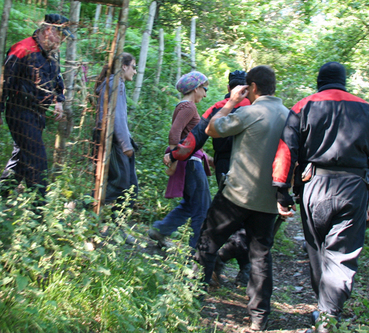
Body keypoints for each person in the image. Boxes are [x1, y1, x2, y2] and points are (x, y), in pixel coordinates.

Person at [272, 61, 369, 333]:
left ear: (319, 81)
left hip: (315, 185)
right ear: (344, 81)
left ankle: (324, 311)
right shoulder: (368, 110)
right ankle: (328, 315)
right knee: (342, 256)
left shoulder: (303, 106)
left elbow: (286, 150)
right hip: (354, 187)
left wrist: (282, 192)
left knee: (316, 250)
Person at [196, 65, 289, 332]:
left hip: (237, 194)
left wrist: (232, 102)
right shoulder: (289, 116)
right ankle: (259, 318)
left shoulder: (249, 111)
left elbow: (213, 130)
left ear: (253, 88)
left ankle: (193, 296)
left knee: (208, 240)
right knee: (260, 256)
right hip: (268, 200)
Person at [163, 70, 252, 285]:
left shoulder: (215, 108)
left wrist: (180, 154)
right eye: (204, 88)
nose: (205, 93)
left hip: (215, 165)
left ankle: (205, 262)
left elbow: (197, 137)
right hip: (236, 168)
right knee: (222, 215)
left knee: (206, 209)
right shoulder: (255, 108)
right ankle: (216, 262)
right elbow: (178, 135)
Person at [0, 14, 70, 201]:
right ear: (48, 31)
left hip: (38, 113)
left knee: (22, 157)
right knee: (37, 160)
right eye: (60, 36)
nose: (61, 41)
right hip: (19, 110)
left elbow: (57, 78)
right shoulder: (22, 49)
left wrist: (59, 101)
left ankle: (0, 195)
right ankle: (38, 210)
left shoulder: (50, 54)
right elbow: (3, 82)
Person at [149, 71, 212, 250]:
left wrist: (208, 158)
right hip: (191, 163)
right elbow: (174, 134)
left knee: (190, 204)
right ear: (196, 88)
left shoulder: (185, 106)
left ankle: (161, 230)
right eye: (204, 89)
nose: (205, 94)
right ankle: (197, 252)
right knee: (202, 208)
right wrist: (174, 156)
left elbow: (188, 139)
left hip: (191, 160)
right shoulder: (188, 107)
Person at [94, 52, 139, 213]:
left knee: (131, 187)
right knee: (121, 185)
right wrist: (125, 144)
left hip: (113, 138)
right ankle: (81, 205)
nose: (134, 71)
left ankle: (117, 227)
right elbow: (116, 116)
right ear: (124, 66)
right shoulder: (115, 84)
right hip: (111, 138)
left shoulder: (116, 83)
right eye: (133, 67)